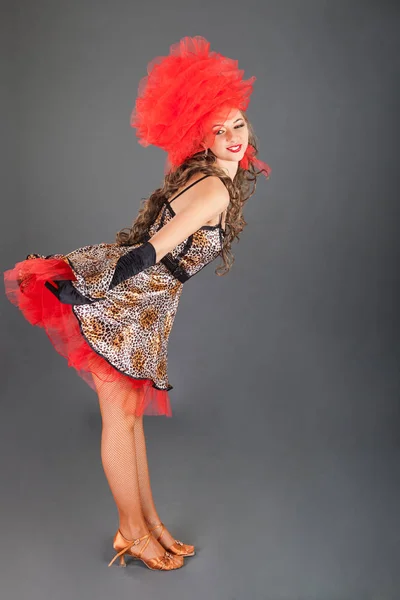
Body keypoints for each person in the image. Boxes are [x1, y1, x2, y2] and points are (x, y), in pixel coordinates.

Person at [3, 35, 271, 572]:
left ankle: (149, 525)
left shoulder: (206, 171)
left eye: (237, 123)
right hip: (134, 302)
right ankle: (132, 531)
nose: (231, 137)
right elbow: (151, 251)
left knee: (129, 420)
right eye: (217, 129)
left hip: (144, 304)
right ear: (200, 133)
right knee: (119, 422)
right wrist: (90, 293)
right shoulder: (214, 189)